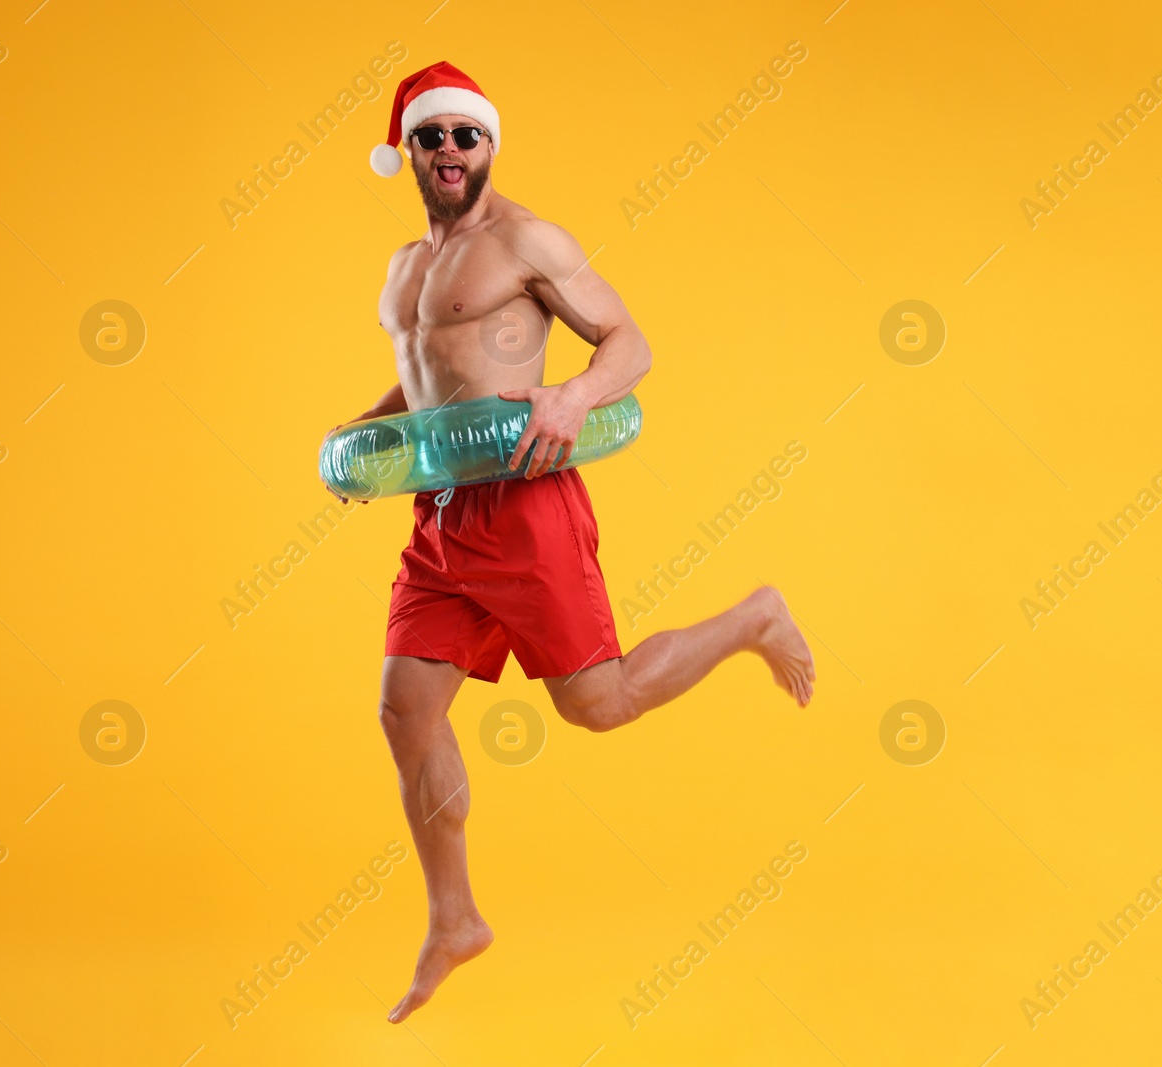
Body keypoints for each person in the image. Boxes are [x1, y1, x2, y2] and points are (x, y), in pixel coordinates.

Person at [328, 61, 816, 1024]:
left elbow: (629, 342)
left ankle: (754, 617)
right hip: (439, 516)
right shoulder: (404, 267)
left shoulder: (528, 241)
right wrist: (367, 438)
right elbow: (431, 388)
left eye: (466, 136)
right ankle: (454, 916)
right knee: (405, 709)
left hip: (526, 505)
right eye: (432, 138)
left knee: (599, 702)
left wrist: (573, 394)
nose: (451, 153)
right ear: (409, 153)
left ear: (489, 144)